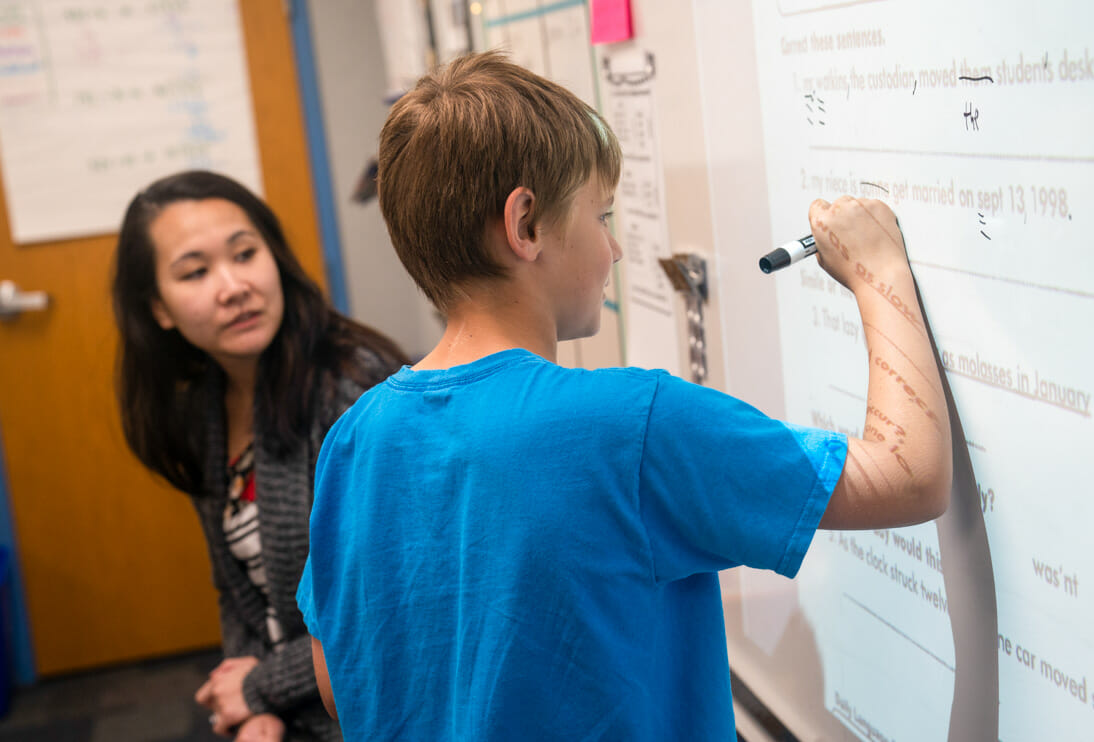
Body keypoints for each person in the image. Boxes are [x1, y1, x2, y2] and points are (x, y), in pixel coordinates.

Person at [296, 51, 952, 740]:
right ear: (525, 226)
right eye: (600, 216)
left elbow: (339, 686)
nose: (614, 251)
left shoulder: (355, 437)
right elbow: (909, 478)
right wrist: (878, 273)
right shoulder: (628, 425)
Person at [111, 170, 407, 741]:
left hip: (369, 706)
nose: (232, 286)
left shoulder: (350, 391)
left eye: (245, 254)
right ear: (159, 309)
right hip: (292, 699)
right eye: (195, 272)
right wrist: (257, 706)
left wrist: (259, 690)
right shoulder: (203, 409)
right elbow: (238, 592)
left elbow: (386, 608)